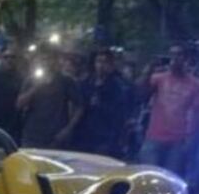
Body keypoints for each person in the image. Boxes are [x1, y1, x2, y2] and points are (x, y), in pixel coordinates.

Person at [139, 44, 199, 178]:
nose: (175, 59)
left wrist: (190, 137)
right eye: (172, 55)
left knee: (169, 179)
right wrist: (147, 71)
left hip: (178, 140)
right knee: (148, 176)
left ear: (186, 59)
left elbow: (195, 112)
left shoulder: (195, 84)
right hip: (154, 136)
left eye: (179, 55)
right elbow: (141, 95)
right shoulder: (158, 78)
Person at [16, 47, 83, 148]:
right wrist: (36, 87)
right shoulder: (31, 80)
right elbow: (19, 104)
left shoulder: (66, 81)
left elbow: (79, 106)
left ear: (55, 61)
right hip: (32, 135)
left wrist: (68, 129)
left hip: (56, 136)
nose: (46, 62)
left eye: (49, 59)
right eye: (43, 59)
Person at [76, 49, 127, 157]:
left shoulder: (117, 87)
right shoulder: (86, 82)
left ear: (110, 65)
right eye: (98, 61)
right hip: (84, 134)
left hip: (104, 136)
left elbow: (119, 114)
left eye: (104, 62)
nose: (101, 65)